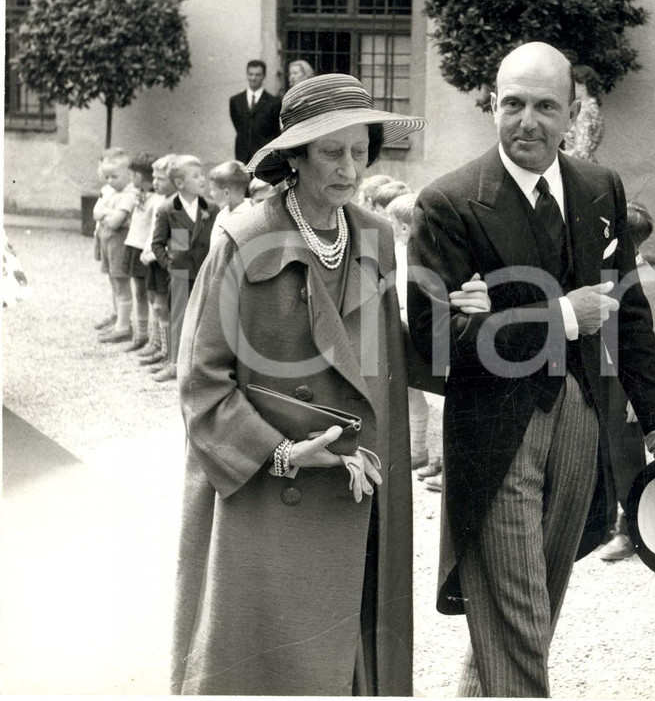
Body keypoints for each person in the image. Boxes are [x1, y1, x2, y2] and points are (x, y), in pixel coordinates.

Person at [172, 73, 485, 696]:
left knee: (351, 660)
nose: (349, 169)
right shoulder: (243, 239)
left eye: (360, 151)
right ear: (294, 157)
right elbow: (202, 382)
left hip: (358, 482)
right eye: (331, 152)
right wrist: (282, 453)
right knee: (267, 670)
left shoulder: (373, 234)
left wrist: (457, 321)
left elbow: (383, 351)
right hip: (269, 493)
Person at [407, 42, 655, 698]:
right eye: (512, 104)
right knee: (517, 618)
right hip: (493, 432)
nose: (527, 121)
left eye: (545, 106)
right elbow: (433, 341)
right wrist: (562, 316)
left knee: (531, 609)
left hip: (579, 421)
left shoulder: (600, 189)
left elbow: (628, 318)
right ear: (492, 106)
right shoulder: (448, 203)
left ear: (573, 113)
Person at [597, 201, 655, 562]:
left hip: (625, 380)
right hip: (600, 373)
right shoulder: (605, 273)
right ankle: (605, 522)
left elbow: (651, 342)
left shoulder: (648, 281)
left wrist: (637, 394)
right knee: (603, 451)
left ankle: (632, 530)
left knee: (626, 456)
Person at [149, 155, 218, 382]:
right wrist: (170, 266)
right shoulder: (168, 209)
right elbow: (157, 244)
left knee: (204, 321)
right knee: (178, 319)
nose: (202, 179)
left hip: (205, 274)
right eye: (196, 176)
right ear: (179, 183)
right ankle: (175, 366)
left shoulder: (211, 208)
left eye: (202, 174)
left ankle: (200, 369)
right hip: (180, 274)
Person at [384, 192, 433, 473]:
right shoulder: (415, 253)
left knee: (413, 391)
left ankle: (419, 450)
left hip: (408, 332)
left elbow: (402, 297)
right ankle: (418, 449)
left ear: (403, 227)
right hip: (413, 329)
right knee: (412, 391)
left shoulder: (404, 256)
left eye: (390, 222)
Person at [93, 149, 139, 344]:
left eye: (114, 176)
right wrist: (108, 213)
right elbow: (95, 213)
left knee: (121, 282)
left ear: (129, 173)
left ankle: (123, 327)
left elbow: (114, 222)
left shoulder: (130, 194)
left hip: (119, 242)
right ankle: (118, 316)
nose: (110, 181)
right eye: (107, 177)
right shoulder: (109, 190)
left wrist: (106, 213)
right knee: (113, 280)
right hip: (106, 240)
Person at [137, 155, 176, 368]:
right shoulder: (160, 201)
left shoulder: (175, 204)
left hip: (163, 262)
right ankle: (158, 343)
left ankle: (168, 352)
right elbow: (154, 232)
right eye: (154, 178)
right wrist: (147, 249)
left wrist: (156, 254)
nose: (155, 183)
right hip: (153, 258)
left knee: (163, 306)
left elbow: (176, 241)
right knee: (155, 302)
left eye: (160, 179)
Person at [120, 153, 159, 352]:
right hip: (133, 246)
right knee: (139, 292)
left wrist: (148, 250)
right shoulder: (138, 195)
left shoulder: (156, 200)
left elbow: (154, 228)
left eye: (132, 174)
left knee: (151, 295)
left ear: (139, 176)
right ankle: (141, 334)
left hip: (145, 250)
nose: (129, 178)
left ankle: (155, 337)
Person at [229, 59, 282, 164]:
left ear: (264, 76)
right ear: (247, 75)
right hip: (242, 154)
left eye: (258, 75)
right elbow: (238, 125)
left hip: (263, 155)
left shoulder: (274, 102)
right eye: (250, 74)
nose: (253, 78)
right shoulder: (235, 100)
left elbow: (275, 131)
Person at [561, 65, 604, 163]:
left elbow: (581, 153)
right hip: (584, 165)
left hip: (579, 167)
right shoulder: (592, 108)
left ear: (583, 86)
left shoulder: (585, 112)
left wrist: (553, 155)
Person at [206, 161, 253, 249]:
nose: (211, 193)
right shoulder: (222, 214)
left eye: (213, 190)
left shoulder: (249, 216)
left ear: (226, 193)